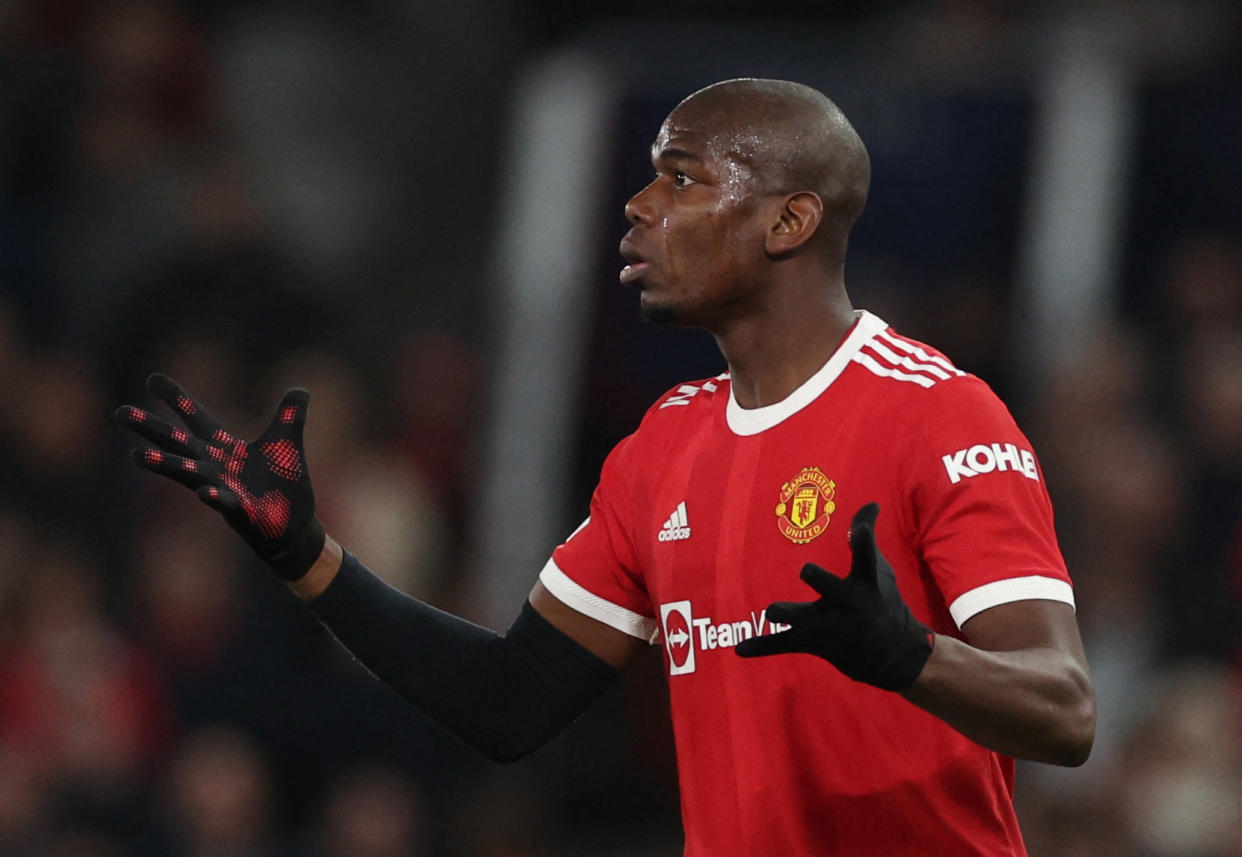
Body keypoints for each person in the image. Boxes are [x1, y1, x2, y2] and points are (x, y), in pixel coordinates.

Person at [117, 78, 1096, 856]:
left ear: (789, 222)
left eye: (682, 178)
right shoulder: (662, 445)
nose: (636, 205)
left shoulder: (936, 411)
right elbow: (509, 701)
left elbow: (1064, 705)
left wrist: (908, 654)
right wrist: (308, 557)